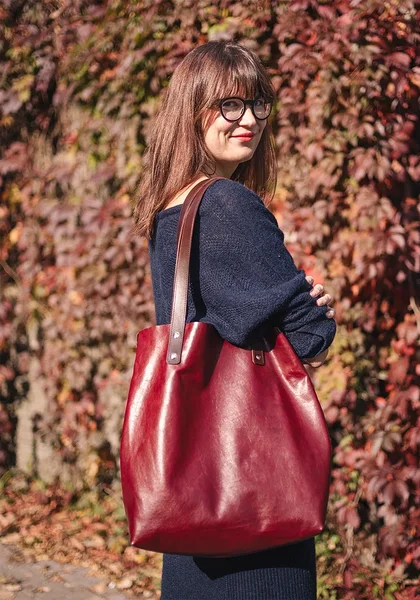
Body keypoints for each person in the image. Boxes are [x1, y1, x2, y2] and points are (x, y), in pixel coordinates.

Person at [132, 40, 337, 600]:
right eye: (229, 105)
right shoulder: (226, 205)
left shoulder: (170, 208)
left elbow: (232, 312)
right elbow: (308, 335)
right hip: (251, 501)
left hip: (196, 499)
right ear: (193, 109)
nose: (248, 120)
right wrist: (315, 312)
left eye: (257, 104)